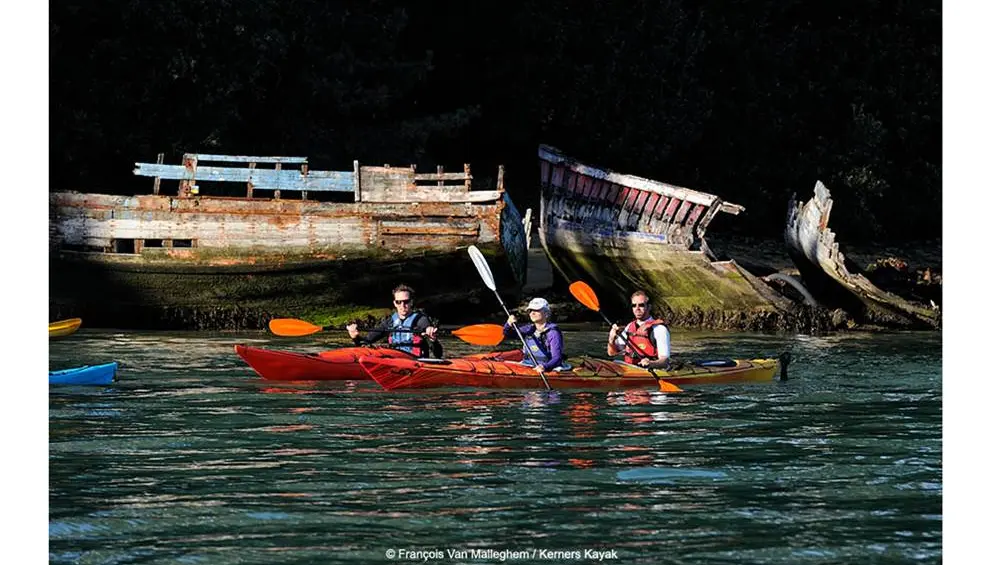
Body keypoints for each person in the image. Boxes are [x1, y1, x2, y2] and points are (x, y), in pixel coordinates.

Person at [346, 284, 443, 358]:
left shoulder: (420, 319)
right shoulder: (389, 322)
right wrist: (355, 337)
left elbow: (438, 355)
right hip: (395, 359)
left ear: (411, 302)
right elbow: (365, 343)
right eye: (398, 302)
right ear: (394, 303)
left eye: (406, 302)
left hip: (415, 361)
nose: (402, 305)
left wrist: (432, 338)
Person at [606, 290, 671, 368]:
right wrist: (611, 339)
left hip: (650, 371)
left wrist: (651, 363)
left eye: (641, 305)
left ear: (649, 307)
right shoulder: (629, 327)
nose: (637, 308)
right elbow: (611, 353)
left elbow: (665, 362)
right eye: (634, 305)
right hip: (630, 369)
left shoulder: (659, 329)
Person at [503, 297, 567, 372]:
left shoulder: (553, 333)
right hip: (528, 364)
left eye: (536, 310)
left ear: (546, 313)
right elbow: (508, 334)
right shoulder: (529, 329)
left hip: (548, 367)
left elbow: (557, 358)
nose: (532, 313)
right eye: (530, 310)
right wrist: (508, 324)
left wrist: (544, 367)